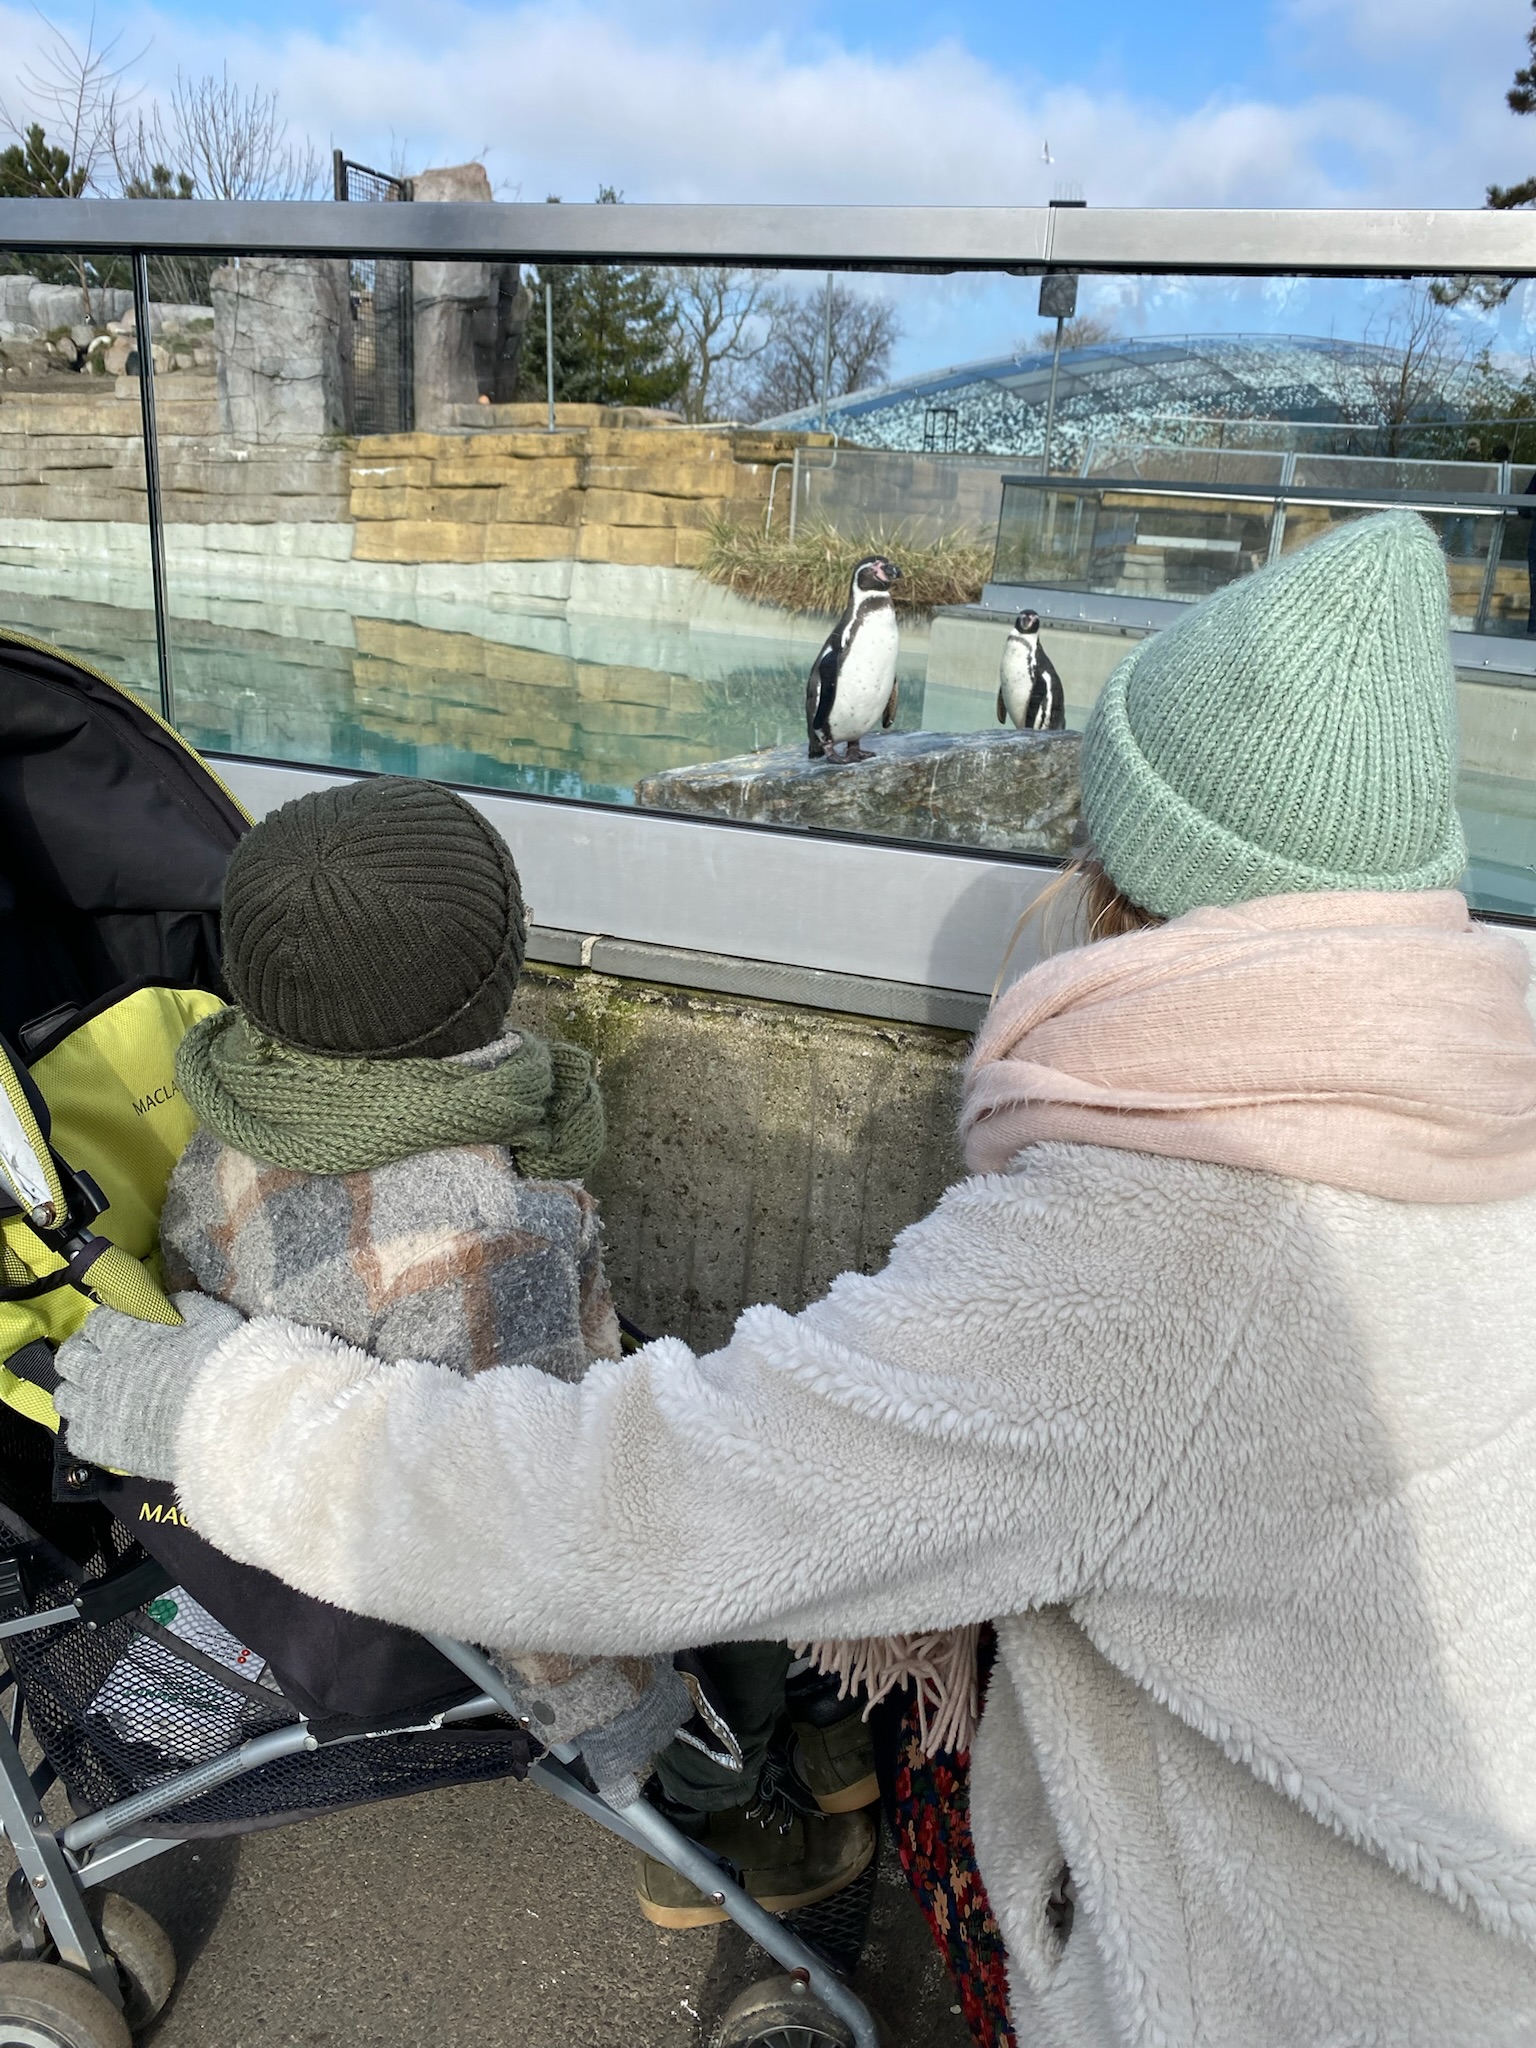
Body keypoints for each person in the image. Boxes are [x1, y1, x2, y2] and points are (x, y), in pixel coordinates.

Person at [58, 512, 1536, 2047]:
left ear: (1122, 871)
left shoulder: (1155, 1255)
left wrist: (212, 1407)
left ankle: (799, 1788)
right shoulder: (1478, 1111)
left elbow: (632, 1506)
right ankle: (776, 1807)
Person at [119, 774, 877, 1916]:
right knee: (736, 1505)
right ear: (494, 977)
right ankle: (718, 1805)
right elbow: (529, 1548)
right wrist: (625, 1720)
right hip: (449, 1558)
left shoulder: (226, 1102)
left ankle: (809, 1709)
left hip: (301, 1448)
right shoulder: (488, 1241)